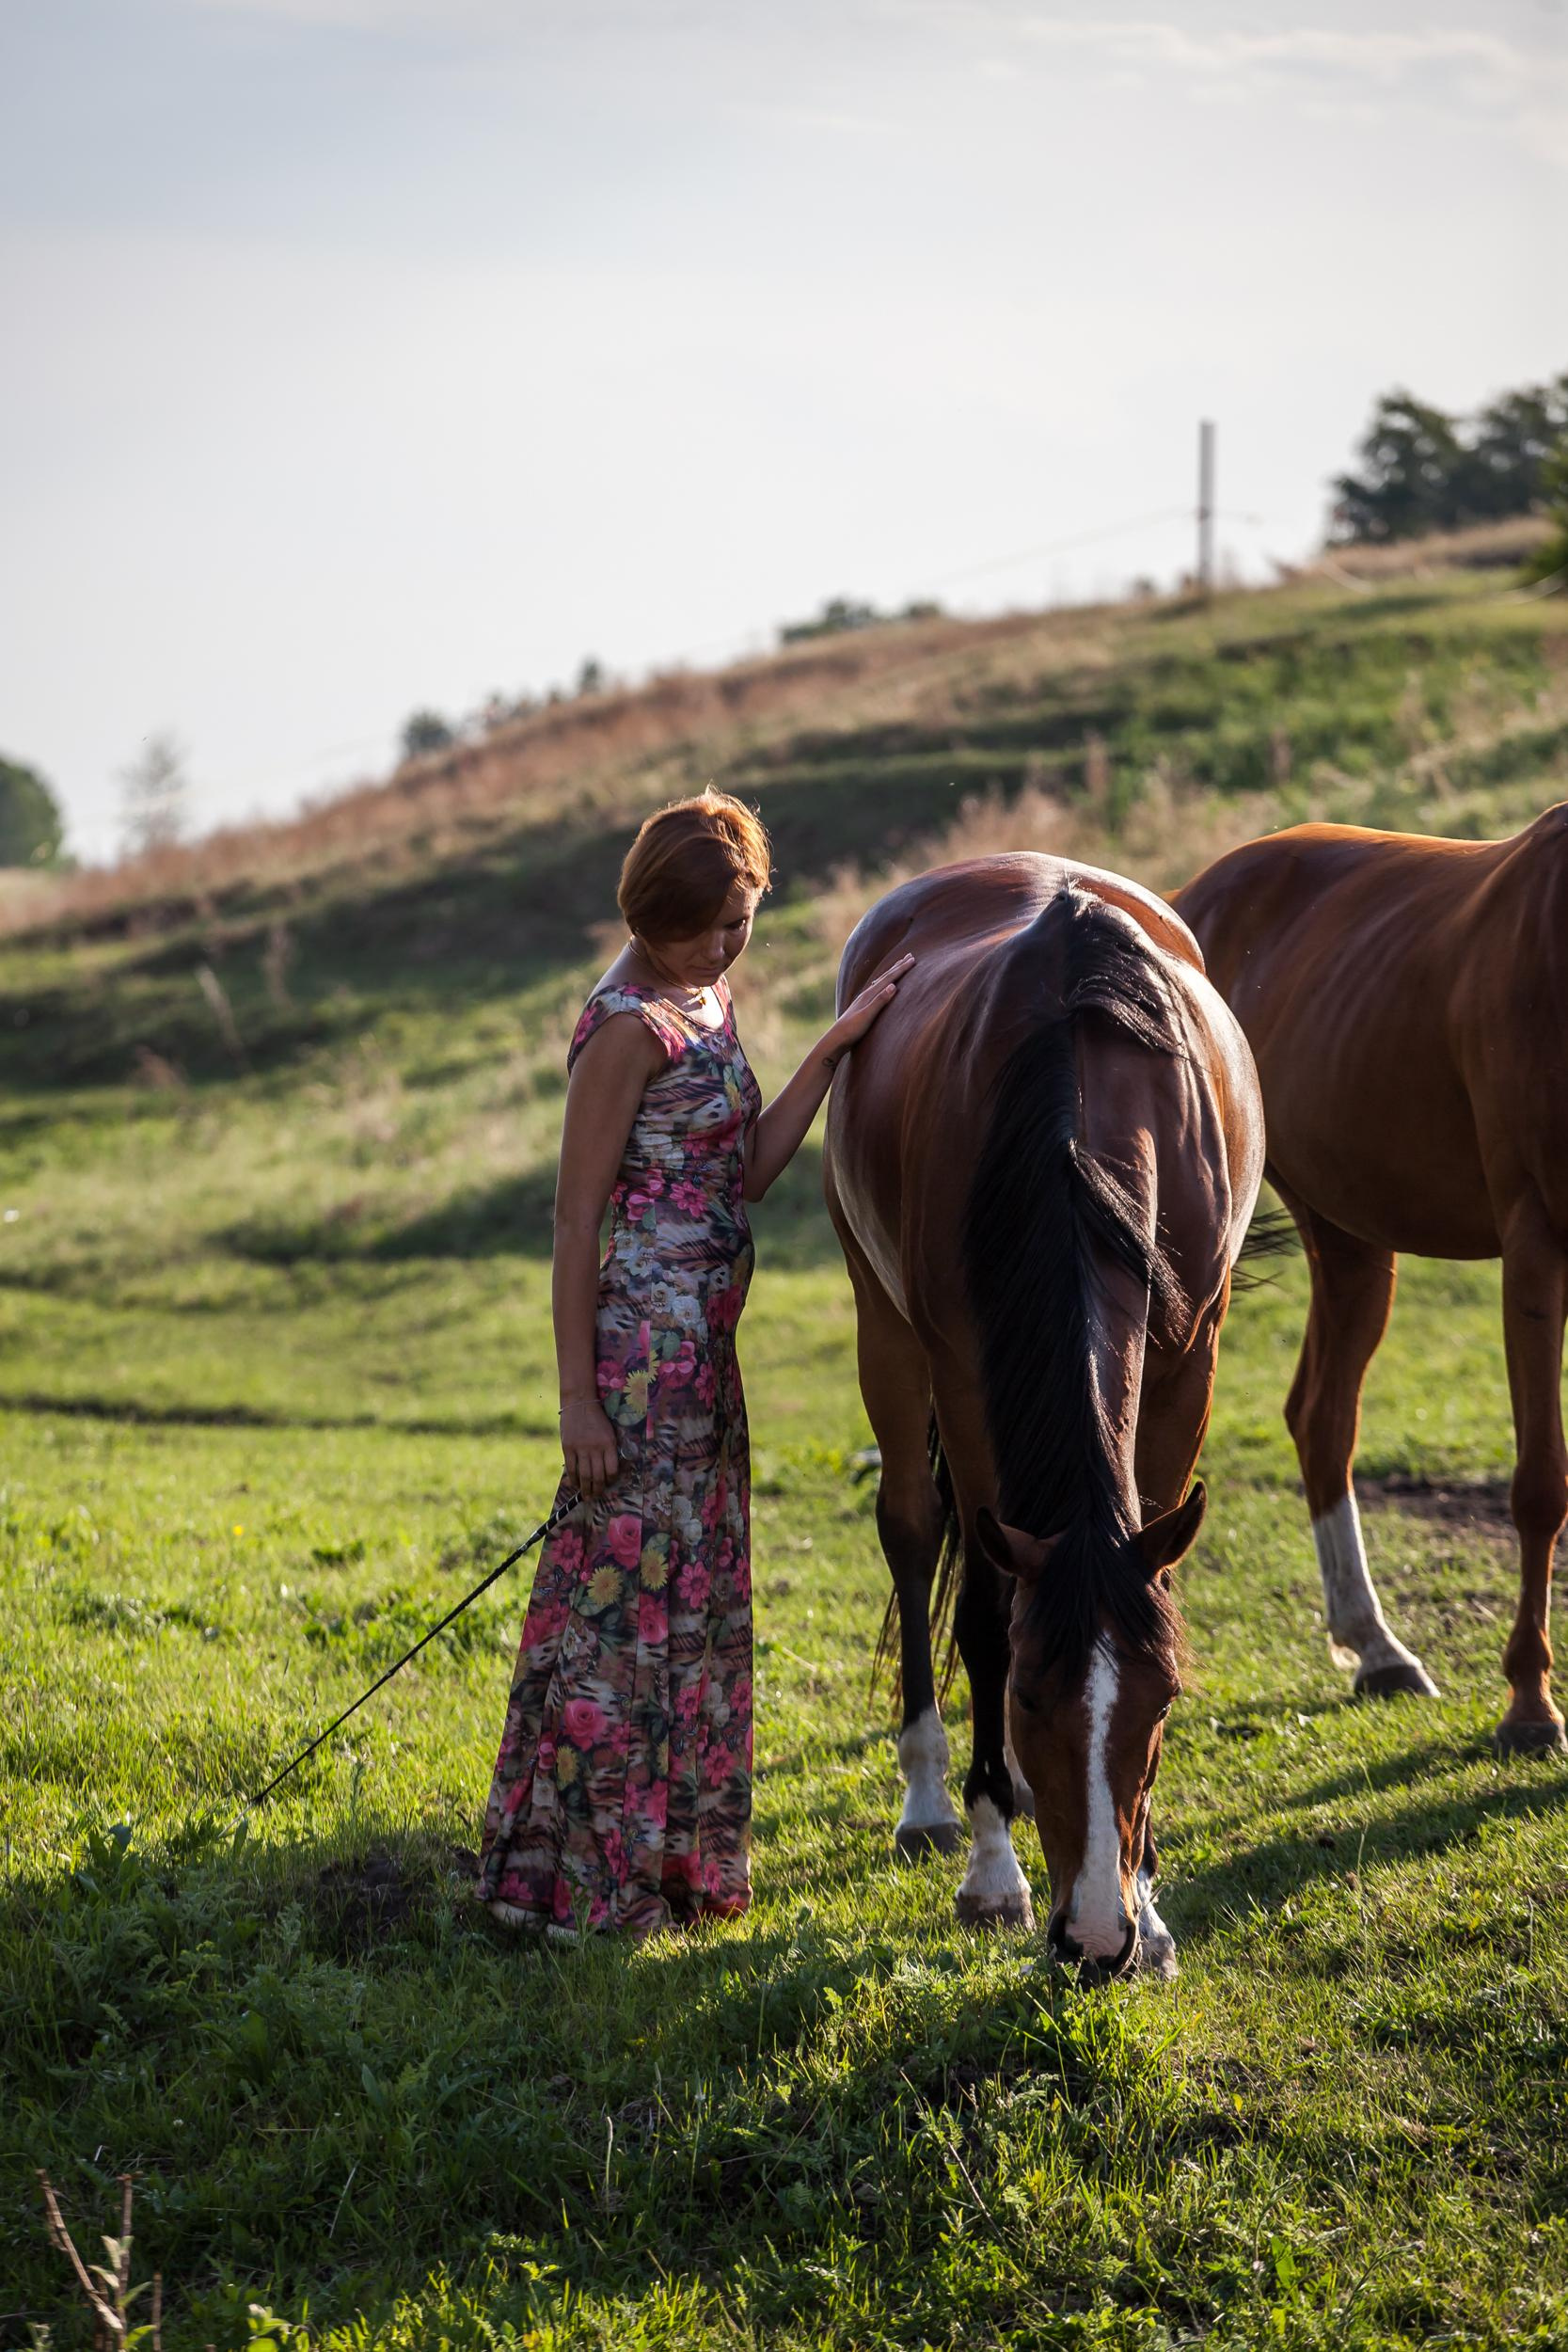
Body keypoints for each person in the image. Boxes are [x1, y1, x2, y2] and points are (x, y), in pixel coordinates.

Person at [477, 790, 913, 1937]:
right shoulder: (626, 1025)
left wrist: (831, 1048)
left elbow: (750, 1170)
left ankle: (670, 1865)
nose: (728, 946)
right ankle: (578, 1885)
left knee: (690, 1609)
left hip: (703, 1361)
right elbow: (574, 1223)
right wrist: (577, 1401)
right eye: (709, 927)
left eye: (741, 922)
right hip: (637, 1362)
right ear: (653, 918)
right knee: (622, 1618)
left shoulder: (704, 999)